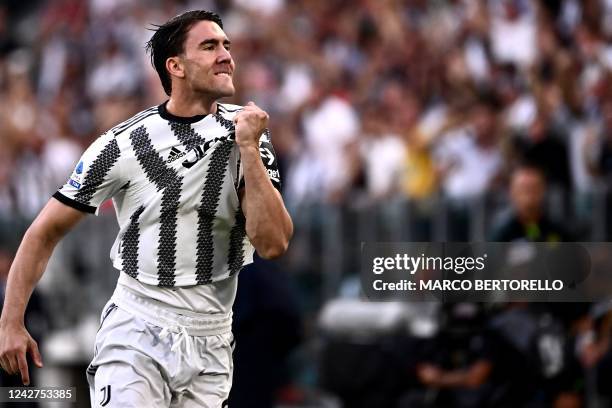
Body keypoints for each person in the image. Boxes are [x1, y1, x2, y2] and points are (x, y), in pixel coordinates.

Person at [0, 9, 293, 408]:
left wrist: (248, 149)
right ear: (176, 67)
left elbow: (273, 243)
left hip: (213, 337)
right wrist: (10, 322)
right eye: (209, 46)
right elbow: (44, 230)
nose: (226, 55)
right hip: (139, 327)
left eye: (227, 45)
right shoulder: (124, 144)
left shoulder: (249, 133)